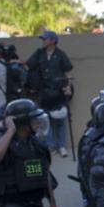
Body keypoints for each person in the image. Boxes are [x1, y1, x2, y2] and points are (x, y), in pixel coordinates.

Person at [26, 30, 74, 158]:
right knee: (45, 120)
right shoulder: (39, 53)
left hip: (59, 92)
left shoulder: (61, 54)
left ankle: (62, 146)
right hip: (44, 92)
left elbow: (68, 71)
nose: (43, 41)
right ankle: (50, 146)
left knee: (60, 120)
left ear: (53, 40)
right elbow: (29, 65)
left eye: (45, 39)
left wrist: (68, 87)